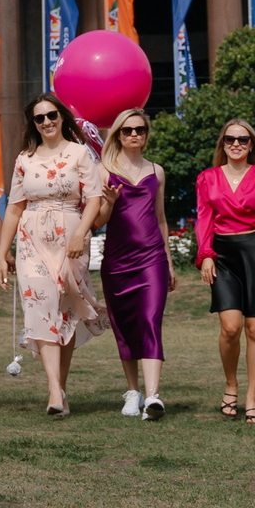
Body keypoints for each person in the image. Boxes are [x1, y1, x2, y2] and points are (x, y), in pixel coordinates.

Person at [0, 91, 110, 417]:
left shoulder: (79, 154)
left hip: (70, 237)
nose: (46, 122)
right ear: (33, 123)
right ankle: (53, 392)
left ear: (61, 118)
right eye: (39, 118)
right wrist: (3, 254)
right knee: (40, 307)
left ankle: (60, 386)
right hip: (32, 238)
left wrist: (80, 233)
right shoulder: (24, 159)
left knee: (66, 310)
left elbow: (93, 200)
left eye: (51, 116)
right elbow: (14, 210)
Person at [79, 108, 172, 421]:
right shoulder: (103, 171)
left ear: (146, 135)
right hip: (118, 261)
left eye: (140, 130)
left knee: (150, 320)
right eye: (128, 130)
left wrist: (169, 262)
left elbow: (160, 220)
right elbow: (98, 221)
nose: (134, 134)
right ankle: (133, 391)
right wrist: (109, 201)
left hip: (152, 259)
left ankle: (153, 396)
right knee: (125, 326)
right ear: (117, 134)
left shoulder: (156, 171)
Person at [196, 116, 255, 425]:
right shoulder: (207, 178)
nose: (236, 144)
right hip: (223, 255)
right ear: (222, 144)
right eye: (230, 139)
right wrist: (205, 254)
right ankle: (231, 384)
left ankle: (252, 398)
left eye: (242, 140)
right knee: (230, 327)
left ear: (251, 145)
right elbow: (204, 218)